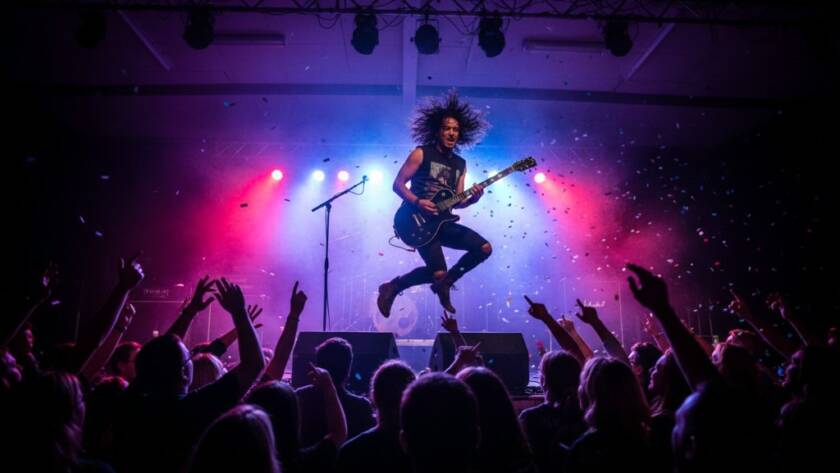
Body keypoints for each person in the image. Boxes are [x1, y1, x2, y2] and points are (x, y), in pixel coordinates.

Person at [378, 91, 491, 316]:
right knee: (437, 271)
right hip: (415, 220)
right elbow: (398, 184)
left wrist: (472, 200)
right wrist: (418, 201)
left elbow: (457, 201)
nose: (451, 133)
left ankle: (443, 282)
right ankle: (402, 285)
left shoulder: (460, 163)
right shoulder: (422, 153)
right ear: (438, 131)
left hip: (443, 222)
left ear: (461, 134)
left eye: (455, 129)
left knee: (484, 248)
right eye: (447, 128)